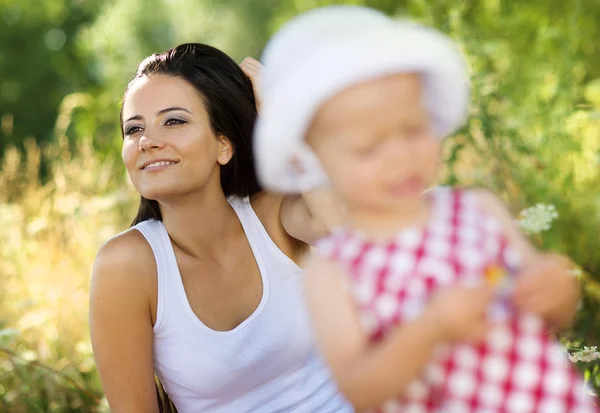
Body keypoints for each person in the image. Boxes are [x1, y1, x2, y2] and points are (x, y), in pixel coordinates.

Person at [254, 5, 592, 412]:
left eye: (414, 130)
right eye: (368, 148)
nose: (399, 156)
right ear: (313, 160)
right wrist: (430, 329)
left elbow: (550, 308)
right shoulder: (333, 270)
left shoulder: (478, 210)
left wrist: (555, 287)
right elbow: (359, 389)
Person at [89, 43, 352, 413]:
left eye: (174, 120)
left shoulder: (273, 216)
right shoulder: (128, 266)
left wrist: (285, 127)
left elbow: (357, 235)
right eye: (134, 129)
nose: (146, 141)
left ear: (223, 145)